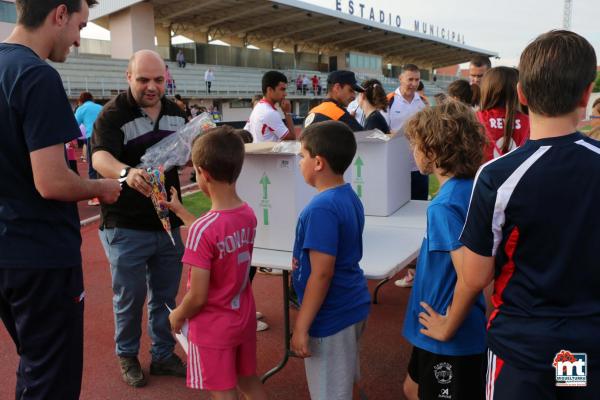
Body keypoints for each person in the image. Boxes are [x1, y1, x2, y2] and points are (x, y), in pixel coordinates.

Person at [419, 30, 600, 398]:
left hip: (520, 348)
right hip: (583, 345)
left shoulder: (498, 175)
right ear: (586, 93)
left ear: (522, 94)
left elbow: (474, 276)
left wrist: (446, 327)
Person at [0, 1, 122, 398]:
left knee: (35, 366)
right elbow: (52, 182)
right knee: (52, 379)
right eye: (79, 26)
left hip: (7, 251)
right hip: (40, 255)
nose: (78, 39)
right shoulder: (36, 75)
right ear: (59, 13)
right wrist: (101, 188)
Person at [91, 49, 188, 387]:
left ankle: (162, 355)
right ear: (128, 77)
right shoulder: (112, 115)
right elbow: (100, 157)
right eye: (144, 79)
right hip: (126, 223)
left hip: (167, 223)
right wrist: (126, 172)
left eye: (159, 80)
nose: (152, 87)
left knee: (165, 296)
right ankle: (127, 354)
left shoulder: (177, 112)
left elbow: (186, 155)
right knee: (129, 297)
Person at [164, 127, 268, 400]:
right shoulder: (247, 213)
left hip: (213, 329)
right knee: (249, 382)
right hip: (242, 318)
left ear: (203, 173)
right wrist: (180, 211)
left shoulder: (204, 231)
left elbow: (197, 297)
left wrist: (178, 314)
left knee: (223, 392)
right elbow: (216, 237)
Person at [401, 101, 488, 400]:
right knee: (412, 388)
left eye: (416, 144)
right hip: (439, 328)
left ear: (432, 151)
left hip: (449, 335)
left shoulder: (444, 205)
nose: (413, 150)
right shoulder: (474, 187)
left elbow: (471, 276)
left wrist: (448, 327)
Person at [291, 120, 371, 400]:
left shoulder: (321, 208)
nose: (299, 162)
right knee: (346, 379)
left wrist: (301, 326)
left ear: (318, 163)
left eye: (302, 156)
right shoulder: (348, 196)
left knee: (331, 392)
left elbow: (322, 273)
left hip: (332, 315)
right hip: (351, 303)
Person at [387, 64, 427, 288]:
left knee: (418, 216)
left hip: (418, 168)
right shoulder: (390, 101)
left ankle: (414, 270)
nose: (413, 83)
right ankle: (398, 261)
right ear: (401, 78)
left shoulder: (422, 102)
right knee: (398, 216)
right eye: (410, 79)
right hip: (395, 169)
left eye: (417, 79)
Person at [477, 66, 530, 161]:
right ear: (517, 90)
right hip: (519, 175)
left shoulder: (475, 118)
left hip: (483, 175)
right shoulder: (530, 122)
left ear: (486, 89)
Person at [244, 70, 295, 143]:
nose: (285, 94)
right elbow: (292, 138)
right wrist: (287, 113)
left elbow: (246, 131)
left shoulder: (258, 107)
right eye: (282, 89)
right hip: (269, 154)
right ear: (270, 90)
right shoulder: (270, 113)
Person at [75, 91, 103, 204]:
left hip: (92, 137)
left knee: (93, 167)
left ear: (81, 101)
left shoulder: (81, 109)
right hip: (106, 137)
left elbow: (73, 124)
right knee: (106, 165)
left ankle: (96, 197)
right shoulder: (101, 107)